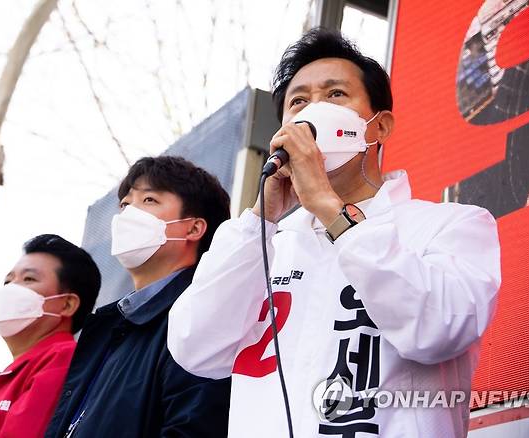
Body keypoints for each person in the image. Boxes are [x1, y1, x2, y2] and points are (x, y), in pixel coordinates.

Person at [168, 28, 501, 437]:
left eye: (336, 94)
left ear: (379, 127)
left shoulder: (452, 225)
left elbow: (438, 329)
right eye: (299, 102)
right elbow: (195, 348)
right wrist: (262, 218)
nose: (313, 112)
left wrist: (330, 209)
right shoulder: (267, 241)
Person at [45, 156, 232, 438]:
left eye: (149, 201)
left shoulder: (202, 315)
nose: (128, 213)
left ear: (193, 228)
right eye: (125, 204)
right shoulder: (107, 326)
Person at [0, 234, 101, 438]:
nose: (12, 288)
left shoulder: (63, 358)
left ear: (67, 304)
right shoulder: (1, 382)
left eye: (28, 279)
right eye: (8, 281)